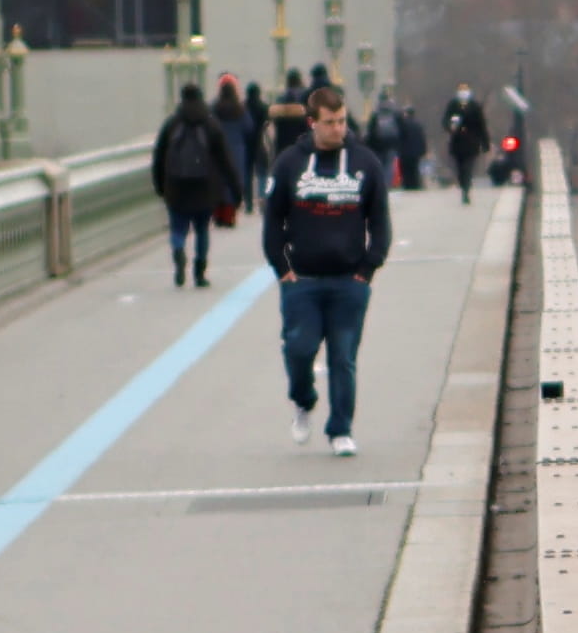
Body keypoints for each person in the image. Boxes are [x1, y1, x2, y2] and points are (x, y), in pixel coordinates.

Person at [265, 75, 396, 452]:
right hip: (302, 279)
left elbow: (380, 220)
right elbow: (273, 219)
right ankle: (303, 400)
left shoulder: (364, 163)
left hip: (348, 280)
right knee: (299, 349)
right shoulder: (290, 164)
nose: (338, 129)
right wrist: (282, 269)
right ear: (313, 123)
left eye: (342, 121)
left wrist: (368, 268)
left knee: (343, 358)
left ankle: (340, 430)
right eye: (330, 122)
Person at [150, 80, 234, 292]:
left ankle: (179, 256)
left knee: (178, 228)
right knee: (202, 230)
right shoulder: (211, 124)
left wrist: (160, 186)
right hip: (204, 188)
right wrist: (234, 188)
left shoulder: (172, 124)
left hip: (176, 187)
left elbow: (159, 158)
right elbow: (224, 159)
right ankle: (200, 273)